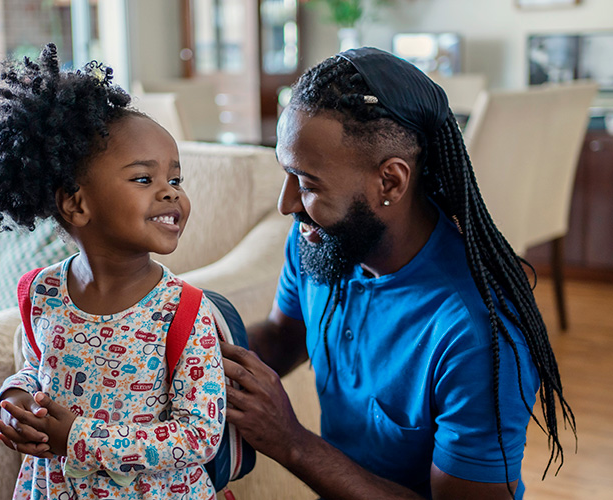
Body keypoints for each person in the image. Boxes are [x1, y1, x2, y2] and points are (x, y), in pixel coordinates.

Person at [221, 47, 574, 499]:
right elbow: (283, 335)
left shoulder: (476, 333)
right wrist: (187, 360)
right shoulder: (321, 242)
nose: (286, 205)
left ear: (390, 181)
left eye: (308, 184)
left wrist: (292, 443)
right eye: (287, 175)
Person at [0, 44, 226, 500]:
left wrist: (78, 439)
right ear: (76, 204)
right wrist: (16, 398)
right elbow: (39, 369)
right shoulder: (42, 291)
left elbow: (199, 434)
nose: (170, 194)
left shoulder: (184, 311)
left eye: (174, 180)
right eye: (144, 179)